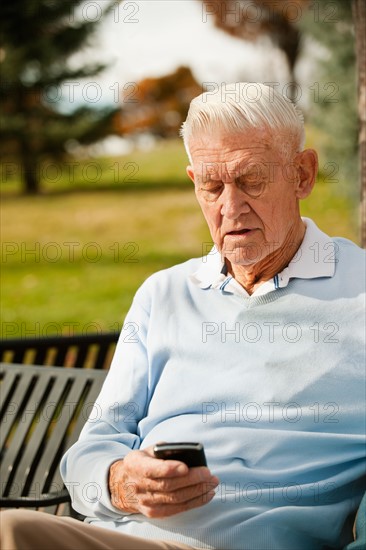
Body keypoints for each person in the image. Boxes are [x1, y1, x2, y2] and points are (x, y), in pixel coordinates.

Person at [1, 83, 365, 550]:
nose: (230, 208)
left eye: (252, 180)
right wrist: (120, 483)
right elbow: (89, 454)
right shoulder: (163, 294)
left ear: (303, 174)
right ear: (193, 181)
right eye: (211, 187)